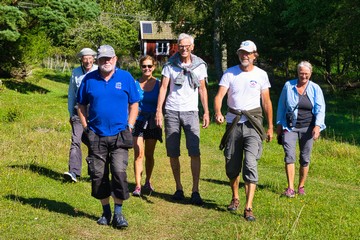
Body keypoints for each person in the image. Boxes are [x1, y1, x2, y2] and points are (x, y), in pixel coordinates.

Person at [77, 45, 140, 229]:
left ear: (115, 58)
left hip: (120, 135)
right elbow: (81, 105)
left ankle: (118, 213)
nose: (106, 62)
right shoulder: (89, 79)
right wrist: (86, 127)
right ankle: (105, 212)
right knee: (98, 175)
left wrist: (130, 125)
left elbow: (134, 103)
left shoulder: (125, 77)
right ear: (97, 60)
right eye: (103, 59)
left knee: (119, 173)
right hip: (96, 135)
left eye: (109, 58)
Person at [214, 40, 273, 221]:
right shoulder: (230, 73)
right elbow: (219, 96)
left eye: (247, 53)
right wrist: (217, 112)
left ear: (255, 55)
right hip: (234, 123)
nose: (244, 56)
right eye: (241, 52)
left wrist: (270, 127)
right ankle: (235, 197)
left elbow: (266, 102)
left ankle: (248, 207)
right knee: (231, 164)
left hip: (253, 124)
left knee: (250, 164)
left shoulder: (261, 75)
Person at [155, 33, 210, 205]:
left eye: (187, 46)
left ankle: (195, 190)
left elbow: (202, 90)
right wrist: (159, 110)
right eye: (181, 46)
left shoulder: (200, 65)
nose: (184, 49)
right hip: (171, 111)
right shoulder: (170, 65)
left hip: (191, 112)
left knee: (194, 151)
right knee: (173, 152)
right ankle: (178, 187)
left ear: (192, 47)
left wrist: (206, 112)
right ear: (177, 47)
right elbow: (163, 88)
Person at [276, 61, 326, 198]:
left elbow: (321, 109)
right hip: (290, 127)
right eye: (301, 73)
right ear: (297, 73)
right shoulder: (288, 85)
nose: (303, 76)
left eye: (306, 74)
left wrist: (318, 126)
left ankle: (301, 186)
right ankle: (290, 188)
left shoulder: (315, 88)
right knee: (289, 156)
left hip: (308, 127)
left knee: (305, 158)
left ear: (310, 73)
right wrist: (279, 124)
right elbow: (281, 106)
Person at [64, 48, 98, 183]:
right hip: (79, 110)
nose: (88, 61)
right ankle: (74, 172)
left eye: (90, 58)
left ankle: (93, 171)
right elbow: (72, 93)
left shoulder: (98, 70)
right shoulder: (76, 72)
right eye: (85, 58)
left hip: (95, 110)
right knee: (75, 140)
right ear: (81, 60)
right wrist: (71, 113)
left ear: (94, 59)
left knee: (92, 141)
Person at [132, 55, 162, 197]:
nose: (147, 69)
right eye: (144, 66)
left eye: (150, 66)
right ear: (140, 67)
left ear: (154, 67)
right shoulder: (134, 83)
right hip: (138, 120)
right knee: (139, 153)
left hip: (152, 122)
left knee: (149, 154)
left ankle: (148, 181)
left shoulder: (159, 84)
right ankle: (137, 185)